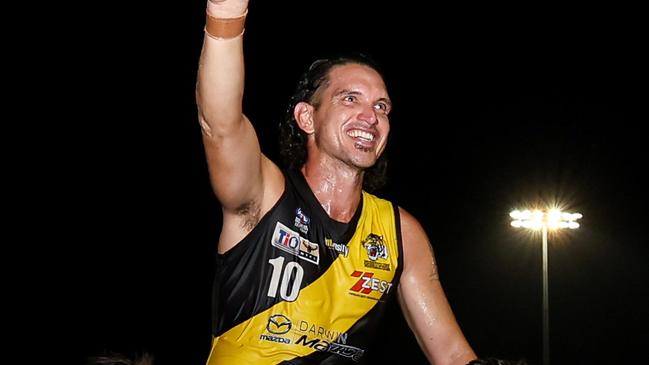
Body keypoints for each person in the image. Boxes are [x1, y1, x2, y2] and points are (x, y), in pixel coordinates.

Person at [196, 1, 477, 364]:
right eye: (350, 99)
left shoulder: (401, 233)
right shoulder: (264, 194)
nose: (371, 117)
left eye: (381, 107)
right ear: (307, 117)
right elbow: (219, 124)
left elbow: (453, 355)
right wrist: (225, 11)